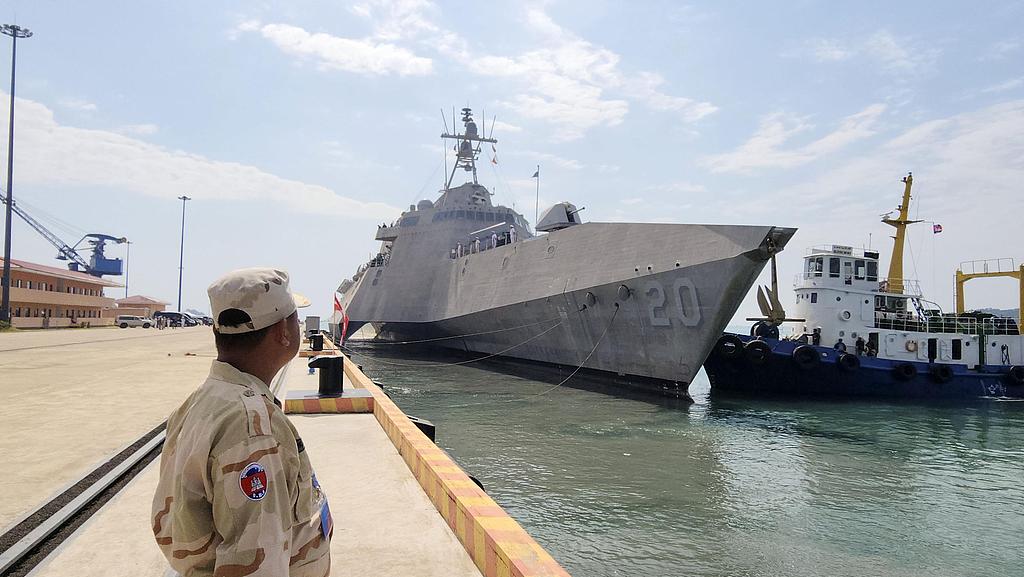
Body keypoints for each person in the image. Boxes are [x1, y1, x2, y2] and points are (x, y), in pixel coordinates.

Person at [152, 268, 332, 577]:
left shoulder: (203, 399)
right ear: (283, 334)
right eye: (295, 319)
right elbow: (256, 562)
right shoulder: (253, 427)